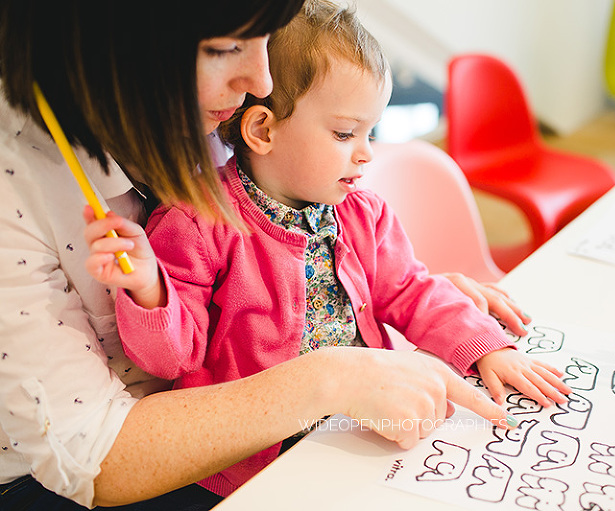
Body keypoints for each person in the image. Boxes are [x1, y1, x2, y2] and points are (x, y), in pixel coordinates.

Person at [0, 1, 534, 509]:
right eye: (224, 47)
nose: (262, 82)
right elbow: (105, 438)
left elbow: (402, 287)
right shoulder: (193, 218)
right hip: (192, 468)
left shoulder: (322, 189)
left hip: (329, 433)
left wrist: (472, 337)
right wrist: (152, 293)